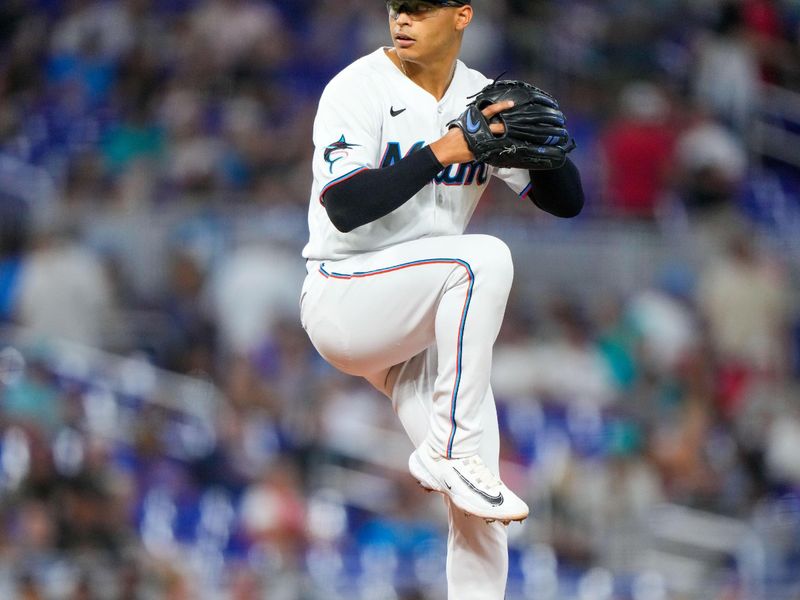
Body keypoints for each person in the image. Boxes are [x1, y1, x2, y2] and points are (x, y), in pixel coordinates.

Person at [299, 1, 584, 598]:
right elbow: (346, 207)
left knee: (482, 490)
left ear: (461, 15)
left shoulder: (480, 97)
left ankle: (458, 463)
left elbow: (565, 203)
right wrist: (447, 149)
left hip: (421, 321)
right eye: (397, 7)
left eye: (421, 9)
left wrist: (549, 151)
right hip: (347, 295)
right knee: (482, 258)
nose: (403, 19)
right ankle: (447, 451)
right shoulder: (356, 87)